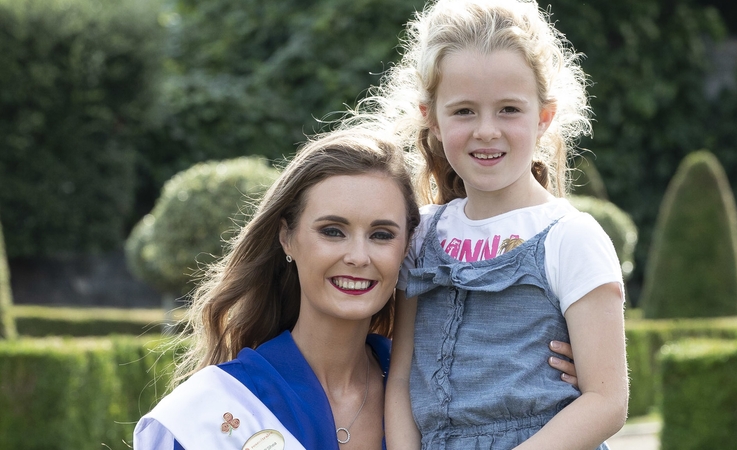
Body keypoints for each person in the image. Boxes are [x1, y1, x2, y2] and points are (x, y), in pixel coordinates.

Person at [131, 125, 583, 450]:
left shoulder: (438, 389)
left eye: (382, 235)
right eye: (333, 231)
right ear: (287, 238)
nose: (358, 256)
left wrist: (559, 389)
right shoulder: (213, 411)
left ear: (408, 249)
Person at [374, 0, 630, 448]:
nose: (487, 130)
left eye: (509, 109)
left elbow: (607, 401)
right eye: (464, 111)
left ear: (544, 118)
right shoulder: (421, 235)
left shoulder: (570, 237)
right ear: (432, 119)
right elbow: (401, 380)